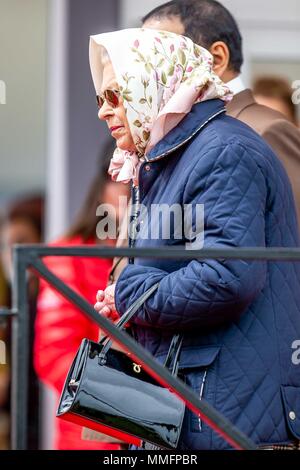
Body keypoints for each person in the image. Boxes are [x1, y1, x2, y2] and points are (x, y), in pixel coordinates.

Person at [91, 27, 300, 450]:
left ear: (154, 82)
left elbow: (226, 277)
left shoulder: (222, 151)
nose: (103, 112)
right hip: (200, 407)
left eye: (115, 95)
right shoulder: (167, 158)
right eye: (100, 99)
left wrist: (126, 294)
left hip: (225, 416)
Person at [141, 0, 300, 227]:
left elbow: (290, 244)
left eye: (161, 57)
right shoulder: (167, 133)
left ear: (216, 59)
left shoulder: (266, 130)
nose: (146, 75)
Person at [34, 148, 130, 450]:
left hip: (154, 436)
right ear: (101, 188)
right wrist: (131, 398)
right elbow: (55, 355)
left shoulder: (157, 253)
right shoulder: (68, 256)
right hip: (90, 438)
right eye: (119, 177)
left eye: (138, 178)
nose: (129, 188)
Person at [0, 194, 45, 449]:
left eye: (20, 243)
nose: (12, 254)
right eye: (6, 245)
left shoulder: (45, 299)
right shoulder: (16, 296)